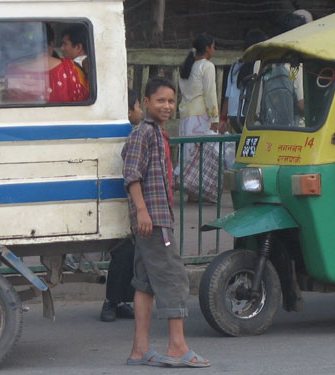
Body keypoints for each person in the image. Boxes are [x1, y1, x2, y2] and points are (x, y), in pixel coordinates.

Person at [123, 77, 209, 368]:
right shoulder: (142, 134)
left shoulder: (157, 133)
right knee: (173, 278)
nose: (167, 106)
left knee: (145, 284)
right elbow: (131, 175)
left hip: (155, 219)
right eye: (160, 100)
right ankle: (177, 346)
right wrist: (143, 212)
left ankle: (140, 350)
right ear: (145, 102)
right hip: (153, 221)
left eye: (171, 101)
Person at [99, 89, 142, 322]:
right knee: (123, 251)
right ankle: (111, 301)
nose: (140, 112)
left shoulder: (134, 133)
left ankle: (123, 301)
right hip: (122, 200)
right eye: (138, 107)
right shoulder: (129, 134)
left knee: (131, 252)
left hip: (130, 200)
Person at [177, 32, 221, 202]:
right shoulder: (207, 66)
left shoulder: (187, 66)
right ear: (208, 48)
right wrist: (214, 118)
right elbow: (210, 94)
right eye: (213, 46)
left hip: (186, 116)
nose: (214, 50)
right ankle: (199, 191)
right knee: (201, 155)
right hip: (200, 116)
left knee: (188, 154)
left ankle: (190, 192)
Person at [5, 23, 89, 103]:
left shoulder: (11, 70)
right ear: (51, 44)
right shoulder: (69, 68)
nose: (62, 48)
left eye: (64, 44)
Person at [220, 29, 267, 133]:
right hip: (250, 116)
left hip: (233, 115)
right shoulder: (260, 65)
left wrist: (223, 118)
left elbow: (227, 97)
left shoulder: (235, 66)